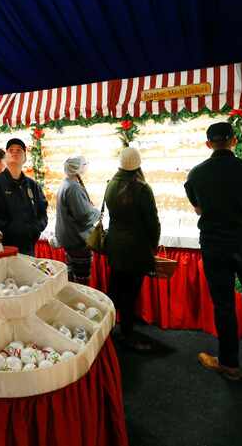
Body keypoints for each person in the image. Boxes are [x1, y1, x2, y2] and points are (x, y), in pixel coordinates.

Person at [184, 121, 242, 386]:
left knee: (224, 305)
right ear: (234, 141)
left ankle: (229, 364)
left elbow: (199, 209)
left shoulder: (196, 175)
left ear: (208, 144)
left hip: (215, 245)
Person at [104, 147, 160, 351]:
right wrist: (152, 247)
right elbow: (152, 223)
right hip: (135, 248)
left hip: (115, 245)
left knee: (115, 290)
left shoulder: (110, 184)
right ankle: (127, 334)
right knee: (130, 293)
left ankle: (107, 330)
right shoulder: (142, 188)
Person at [0, 138, 48, 255]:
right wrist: (7, 229)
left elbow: (42, 212)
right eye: (11, 150)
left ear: (25, 158)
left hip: (29, 250)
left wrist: (36, 228)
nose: (14, 152)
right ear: (6, 157)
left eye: (19, 150)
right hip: (3, 250)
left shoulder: (33, 186)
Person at [55, 156, 100, 285]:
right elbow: (83, 216)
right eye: (85, 164)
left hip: (70, 239)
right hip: (77, 240)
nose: (87, 166)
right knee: (81, 281)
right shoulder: (73, 187)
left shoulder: (67, 183)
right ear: (78, 168)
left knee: (72, 278)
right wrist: (97, 213)